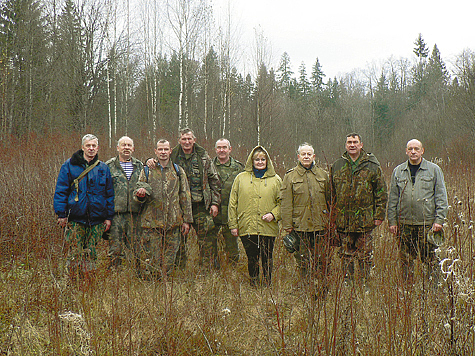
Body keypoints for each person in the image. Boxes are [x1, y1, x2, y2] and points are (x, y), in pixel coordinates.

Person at [148, 128, 221, 270]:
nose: (187, 142)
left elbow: (214, 180)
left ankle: (206, 271)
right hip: (178, 207)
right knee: (178, 240)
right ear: (179, 140)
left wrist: (215, 203)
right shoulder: (172, 155)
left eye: (189, 139)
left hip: (200, 205)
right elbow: (158, 163)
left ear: (194, 140)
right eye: (184, 139)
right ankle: (178, 271)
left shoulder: (203, 157)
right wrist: (149, 161)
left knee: (206, 239)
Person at [387, 139, 448, 282]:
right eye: (410, 149)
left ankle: (433, 290)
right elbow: (393, 199)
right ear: (406, 151)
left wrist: (439, 220)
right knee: (406, 261)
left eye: (416, 148)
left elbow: (441, 196)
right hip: (404, 225)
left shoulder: (434, 170)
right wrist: (392, 221)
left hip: (427, 225)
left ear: (422, 151)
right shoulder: (398, 171)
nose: (413, 152)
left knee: (430, 260)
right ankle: (408, 291)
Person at [54, 134, 114, 277]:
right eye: (88, 146)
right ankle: (73, 280)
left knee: (91, 251)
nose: (91, 149)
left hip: (97, 219)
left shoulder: (103, 168)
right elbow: (61, 191)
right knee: (75, 251)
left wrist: (108, 217)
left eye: (94, 146)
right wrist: (61, 214)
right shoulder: (69, 165)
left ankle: (88, 281)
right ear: (82, 147)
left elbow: (109, 195)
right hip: (76, 218)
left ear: (98, 148)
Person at [330, 133, 387, 282]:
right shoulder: (337, 166)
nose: (352, 145)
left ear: (361, 145)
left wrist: (379, 216)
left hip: (365, 221)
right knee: (345, 255)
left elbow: (381, 192)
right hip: (343, 221)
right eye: (349, 142)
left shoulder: (372, 166)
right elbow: (331, 194)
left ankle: (364, 284)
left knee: (365, 255)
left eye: (355, 142)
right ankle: (347, 283)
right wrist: (332, 217)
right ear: (345, 145)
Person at [135, 139, 193, 279]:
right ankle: (152, 289)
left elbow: (185, 195)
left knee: (169, 260)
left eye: (166, 149)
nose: (163, 152)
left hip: (173, 223)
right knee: (153, 259)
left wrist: (187, 220)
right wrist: (140, 194)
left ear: (170, 151)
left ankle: (165, 289)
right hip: (152, 223)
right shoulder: (147, 170)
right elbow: (138, 192)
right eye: (160, 149)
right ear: (155, 151)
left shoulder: (178, 171)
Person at [228, 146, 282, 286]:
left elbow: (283, 203)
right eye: (256, 159)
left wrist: (273, 214)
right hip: (247, 226)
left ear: (267, 161)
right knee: (252, 257)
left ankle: (267, 286)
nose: (259, 162)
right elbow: (233, 203)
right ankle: (253, 285)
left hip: (268, 227)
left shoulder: (276, 180)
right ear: (251, 161)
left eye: (263, 159)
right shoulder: (241, 178)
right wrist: (233, 225)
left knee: (267, 257)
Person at [281, 143, 331, 287]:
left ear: (314, 156)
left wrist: (330, 222)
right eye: (303, 154)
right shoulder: (290, 176)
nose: (306, 156)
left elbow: (329, 200)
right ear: (298, 157)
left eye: (309, 154)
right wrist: (287, 225)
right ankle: (305, 286)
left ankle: (322, 285)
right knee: (302, 259)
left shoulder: (323, 175)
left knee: (321, 259)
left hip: (320, 225)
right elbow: (286, 203)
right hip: (299, 226)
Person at [105, 136, 144, 269]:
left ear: (133, 148)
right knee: (115, 248)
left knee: (137, 247)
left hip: (135, 214)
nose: (126, 147)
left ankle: (137, 277)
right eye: (123, 145)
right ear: (118, 148)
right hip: (116, 215)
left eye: (129, 145)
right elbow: (102, 190)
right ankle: (116, 278)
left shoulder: (140, 166)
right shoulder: (108, 166)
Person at [207, 138, 244, 266]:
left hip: (231, 212)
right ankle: (214, 270)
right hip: (213, 212)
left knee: (232, 245)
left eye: (224, 147)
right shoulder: (208, 166)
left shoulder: (239, 168)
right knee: (211, 244)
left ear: (230, 149)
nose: (221, 150)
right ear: (215, 149)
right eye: (219, 147)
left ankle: (232, 272)